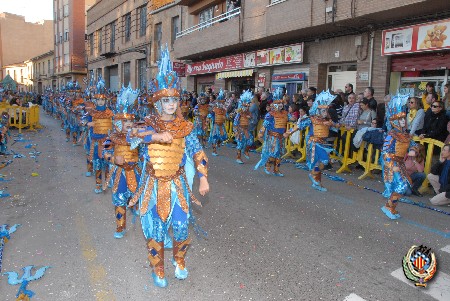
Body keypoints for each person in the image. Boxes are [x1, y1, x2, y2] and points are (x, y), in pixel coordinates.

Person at [127, 47, 209, 288]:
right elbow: (131, 135)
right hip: (154, 186)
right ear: (158, 102)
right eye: (166, 100)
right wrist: (154, 137)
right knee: (157, 230)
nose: (171, 104)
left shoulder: (186, 127)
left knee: (181, 228)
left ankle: (180, 262)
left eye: (174, 99)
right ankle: (158, 269)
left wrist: (203, 178)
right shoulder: (148, 123)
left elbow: (198, 153)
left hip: (178, 184)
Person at [103, 86, 140, 238]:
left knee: (136, 194)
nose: (129, 124)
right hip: (119, 173)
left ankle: (136, 208)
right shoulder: (112, 137)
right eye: (125, 121)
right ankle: (120, 226)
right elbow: (103, 152)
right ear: (118, 122)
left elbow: (144, 152)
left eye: (131, 121)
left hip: (135, 170)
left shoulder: (138, 136)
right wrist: (113, 159)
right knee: (119, 199)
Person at [285, 90, 336, 191]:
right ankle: (314, 176)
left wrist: (333, 124)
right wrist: (288, 132)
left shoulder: (327, 121)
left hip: (323, 143)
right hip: (314, 143)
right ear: (318, 110)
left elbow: (334, 126)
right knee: (324, 161)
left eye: (326, 110)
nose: (325, 113)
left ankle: (316, 181)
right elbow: (299, 125)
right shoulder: (312, 119)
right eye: (323, 111)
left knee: (322, 163)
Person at [380, 94, 415, 219]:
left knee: (403, 186)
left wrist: (413, 150)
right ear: (395, 121)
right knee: (401, 186)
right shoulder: (392, 135)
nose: (403, 121)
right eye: (400, 120)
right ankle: (388, 207)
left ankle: (390, 207)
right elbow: (385, 152)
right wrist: (391, 166)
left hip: (400, 163)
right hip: (393, 162)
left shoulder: (405, 135)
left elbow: (413, 145)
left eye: (404, 119)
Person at [86, 78, 114, 193]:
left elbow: (115, 126)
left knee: (107, 162)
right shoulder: (91, 113)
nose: (101, 102)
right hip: (96, 141)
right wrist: (87, 123)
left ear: (105, 101)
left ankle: (107, 181)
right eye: (99, 100)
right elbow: (83, 122)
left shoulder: (110, 113)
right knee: (97, 163)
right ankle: (98, 184)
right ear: (95, 101)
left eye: (103, 100)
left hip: (107, 141)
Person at [255, 88, 288, 176]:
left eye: (281, 103)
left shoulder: (285, 113)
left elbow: (289, 123)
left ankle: (276, 170)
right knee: (273, 153)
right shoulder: (270, 114)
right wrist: (261, 132)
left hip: (281, 137)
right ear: (274, 104)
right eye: (278, 103)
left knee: (279, 154)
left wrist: (289, 132)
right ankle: (268, 164)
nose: (280, 105)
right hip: (272, 137)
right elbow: (265, 124)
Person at [233, 90, 254, 164]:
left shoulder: (249, 113)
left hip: (246, 130)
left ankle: (246, 151)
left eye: (247, 106)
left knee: (250, 141)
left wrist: (250, 118)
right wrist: (236, 132)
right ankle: (238, 157)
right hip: (240, 130)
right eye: (244, 106)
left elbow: (252, 120)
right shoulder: (239, 113)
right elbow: (235, 123)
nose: (246, 108)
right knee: (240, 144)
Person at [207, 90, 228, 156]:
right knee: (215, 138)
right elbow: (210, 115)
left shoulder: (224, 110)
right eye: (220, 102)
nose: (221, 104)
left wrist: (227, 117)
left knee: (224, 137)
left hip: (221, 126)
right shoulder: (214, 109)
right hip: (215, 125)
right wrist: (206, 123)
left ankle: (218, 143)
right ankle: (214, 151)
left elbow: (227, 116)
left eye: (222, 102)